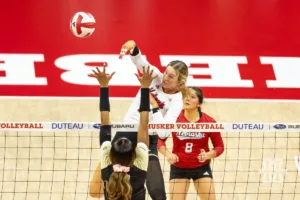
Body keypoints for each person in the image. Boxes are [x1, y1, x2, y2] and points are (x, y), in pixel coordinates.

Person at [119, 40, 189, 200]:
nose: (165, 78)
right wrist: (133, 47)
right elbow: (139, 61)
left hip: (148, 139)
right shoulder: (155, 76)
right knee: (119, 187)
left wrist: (155, 106)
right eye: (166, 73)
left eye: (171, 77)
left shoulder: (177, 101)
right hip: (127, 134)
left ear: (180, 82)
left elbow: (164, 132)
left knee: (158, 193)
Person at [89, 66, 157, 199]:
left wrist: (103, 86)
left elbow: (105, 123)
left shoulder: (138, 166)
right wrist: (145, 87)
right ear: (133, 153)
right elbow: (144, 124)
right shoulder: (107, 169)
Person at [155, 87, 224, 200]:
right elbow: (159, 139)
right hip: (179, 167)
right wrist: (167, 154)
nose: (187, 99)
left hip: (201, 167)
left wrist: (208, 155)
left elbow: (220, 146)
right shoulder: (174, 118)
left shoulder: (208, 122)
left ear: (199, 103)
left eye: (192, 97)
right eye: (185, 96)